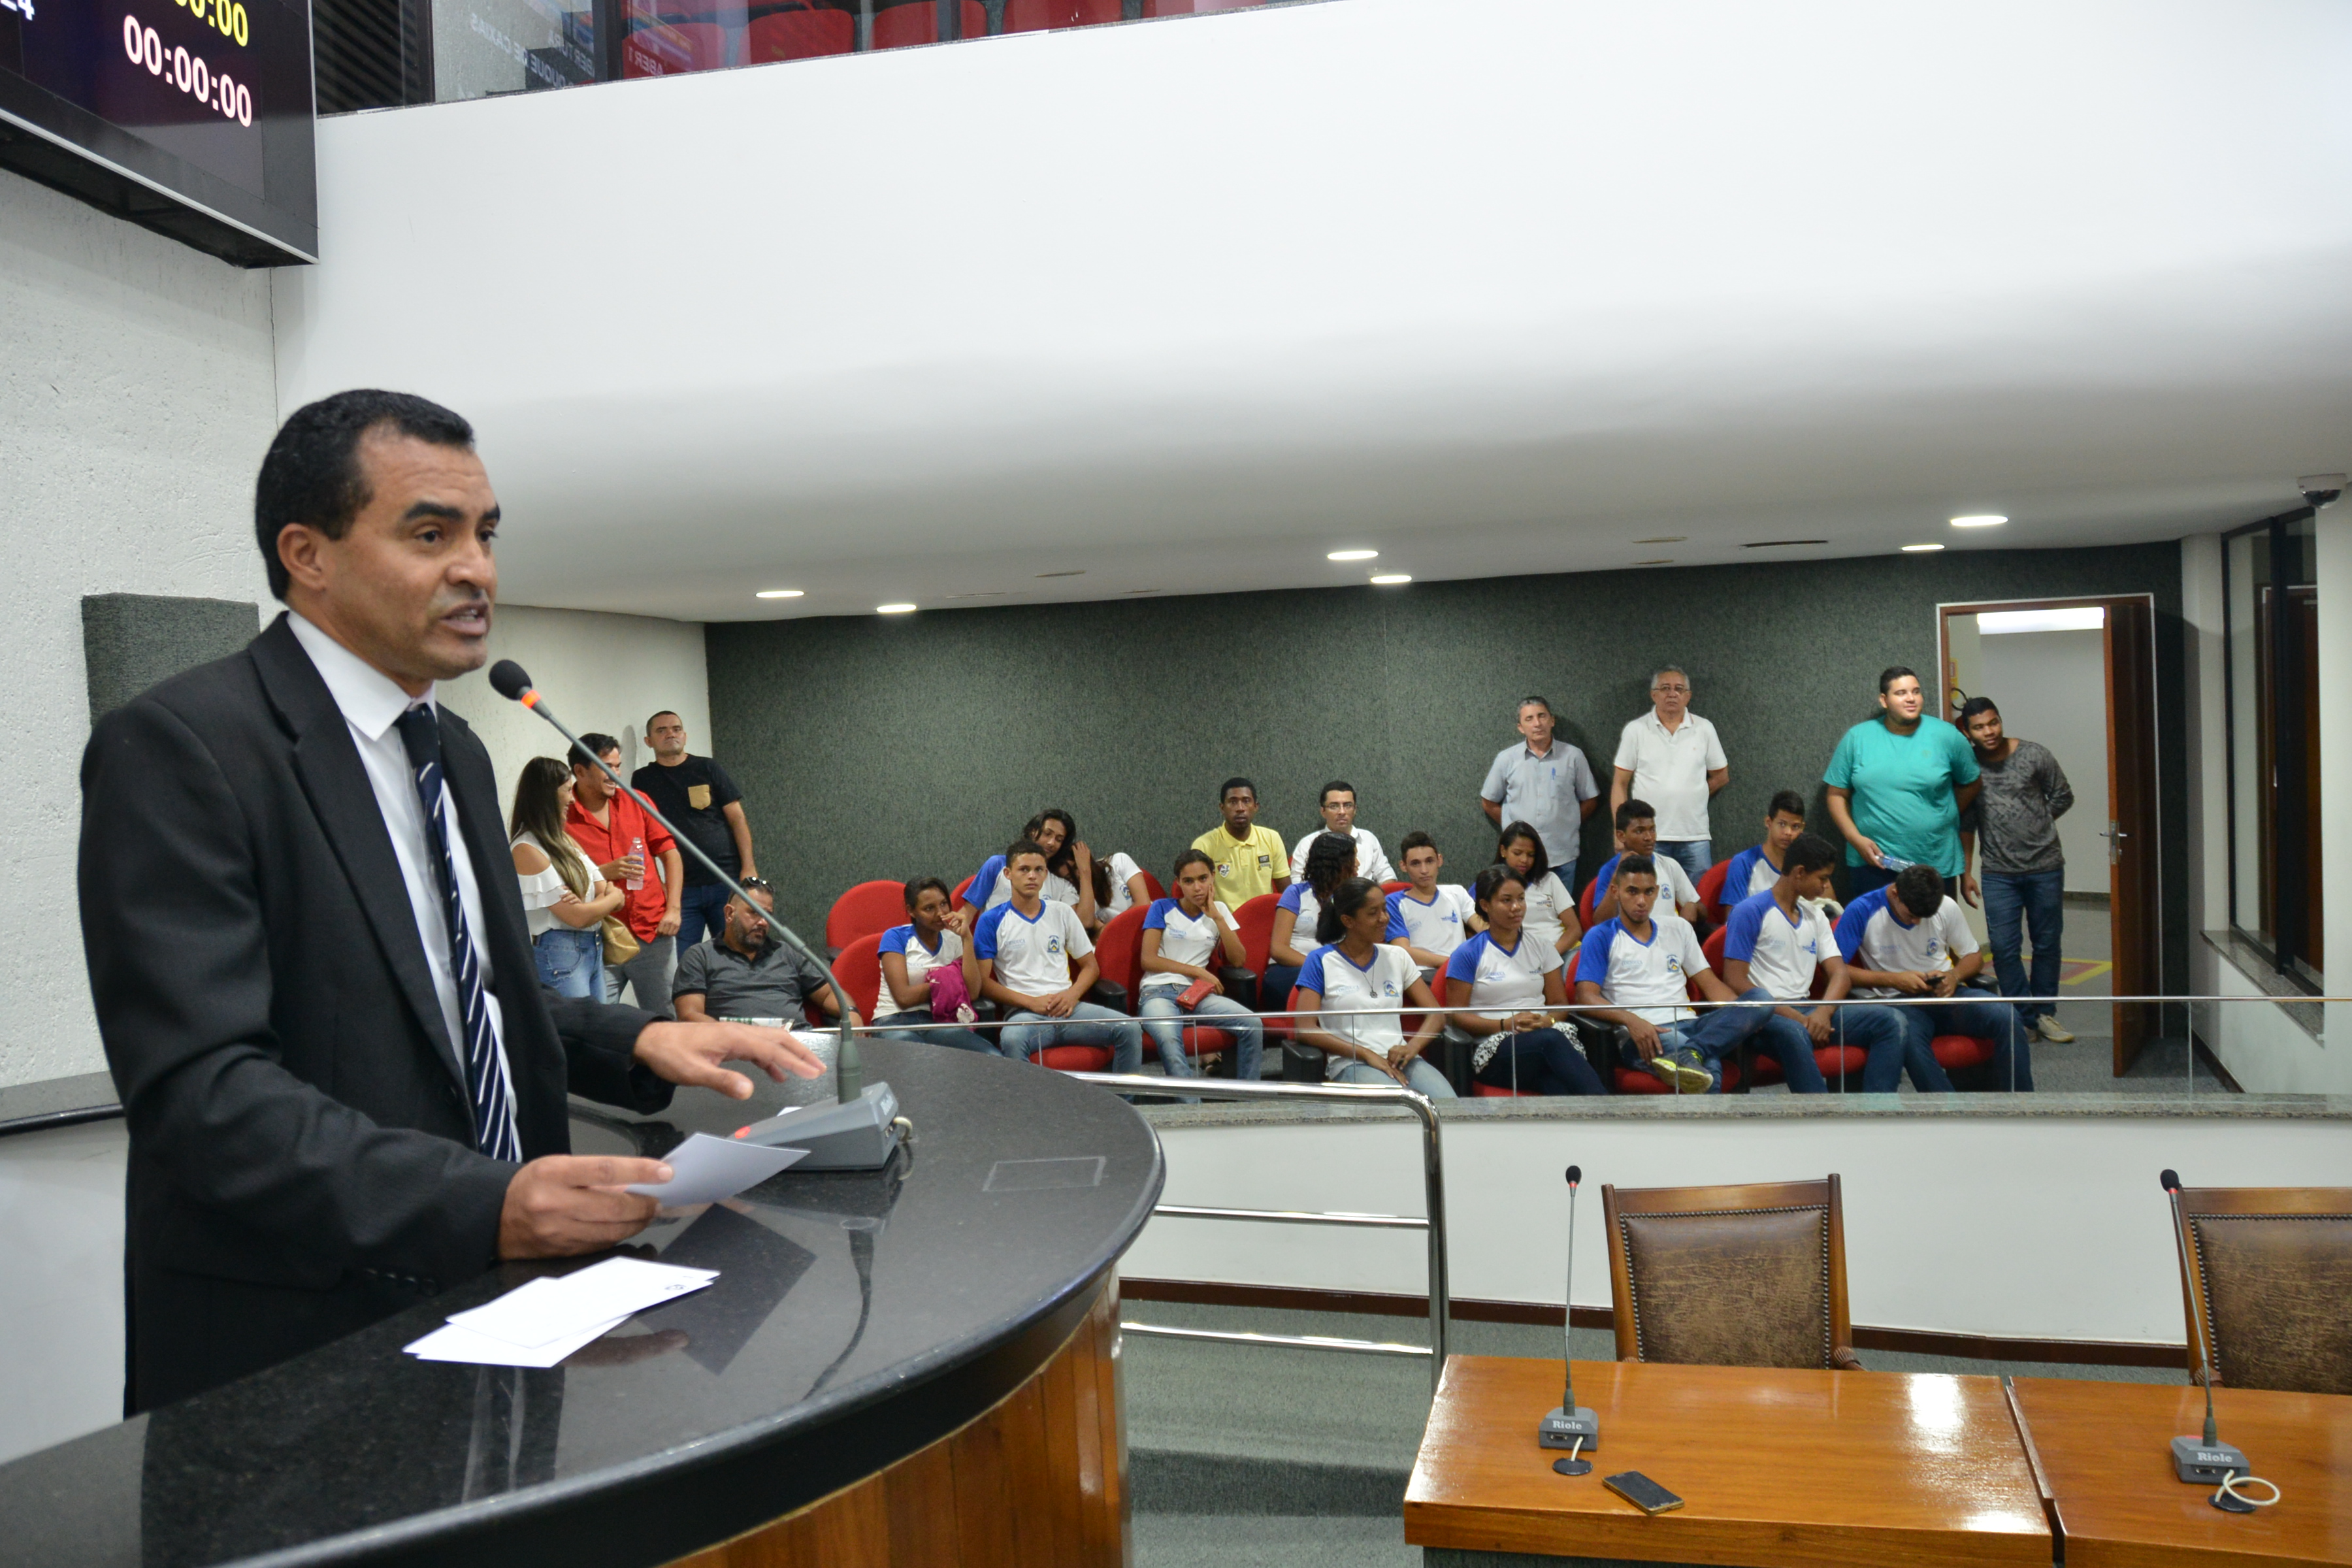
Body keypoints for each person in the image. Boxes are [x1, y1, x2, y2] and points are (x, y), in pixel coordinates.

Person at [78, 389, 819, 1410]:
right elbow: (203, 1095)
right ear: (307, 554)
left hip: (511, 1309)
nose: (476, 569)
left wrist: (639, 1038)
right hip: (305, 1347)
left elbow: (460, 994)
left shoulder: (455, 751)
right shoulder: (183, 747)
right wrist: (484, 1203)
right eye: (431, 535)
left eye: (485, 534)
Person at [1718, 834, 1914, 1093]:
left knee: (1892, 1021)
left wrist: (1823, 1012)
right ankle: (1822, 1114)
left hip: (1809, 1009)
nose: (1826, 886)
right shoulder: (1749, 911)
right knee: (1795, 1033)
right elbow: (1735, 980)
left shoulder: (1816, 916)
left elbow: (1840, 974)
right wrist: (1798, 1018)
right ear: (1799, 873)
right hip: (1766, 1016)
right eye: (1823, 878)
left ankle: (1877, 1108)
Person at [1836, 864, 2031, 1091]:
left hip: (1947, 995)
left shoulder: (1945, 905)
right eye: (1912, 915)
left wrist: (1954, 976)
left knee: (2007, 1016)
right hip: (1899, 1002)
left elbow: (1974, 956)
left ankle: (2023, 1101)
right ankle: (1947, 1107)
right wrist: (1894, 980)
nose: (1917, 923)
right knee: (1908, 1037)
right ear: (1895, 893)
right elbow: (1836, 970)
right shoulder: (1862, 910)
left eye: (1924, 917)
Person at [1574, 855, 1755, 1093]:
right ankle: (1697, 1058)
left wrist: (1742, 1013)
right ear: (1616, 892)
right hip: (1647, 1032)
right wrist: (1631, 1020)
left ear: (1657, 892)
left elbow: (1711, 985)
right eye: (1632, 892)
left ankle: (1694, 1052)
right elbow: (1585, 997)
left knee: (1759, 1001)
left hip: (1691, 1024)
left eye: (1648, 892)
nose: (1642, 901)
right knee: (1709, 1069)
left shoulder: (1678, 928)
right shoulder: (1600, 936)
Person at [1957, 697, 2078, 1045]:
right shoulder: (1969, 769)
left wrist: (2037, 823)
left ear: (2000, 720)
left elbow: (2063, 796)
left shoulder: (2034, 755)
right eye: (1979, 727)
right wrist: (1966, 873)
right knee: (2004, 947)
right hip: (1998, 872)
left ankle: (2044, 1013)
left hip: (2046, 867)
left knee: (2047, 943)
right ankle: (2024, 1017)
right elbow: (1967, 824)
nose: (1989, 732)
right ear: (1968, 733)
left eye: (1993, 723)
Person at [975, 840, 1143, 1071]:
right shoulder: (991, 920)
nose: (1032, 876)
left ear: (1046, 874)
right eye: (1024, 869)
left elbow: (1091, 967)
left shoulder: (1062, 912)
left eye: (1039, 870)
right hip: (1026, 1015)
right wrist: (1032, 1003)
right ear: (1008, 874)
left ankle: (1123, 1095)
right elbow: (983, 983)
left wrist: (1072, 995)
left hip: (1070, 1009)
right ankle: (1026, 1097)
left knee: (1130, 1029)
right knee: (1012, 1040)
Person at [1442, 866, 1604, 1095]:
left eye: (1521, 899)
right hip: (1494, 1048)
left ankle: (1600, 1114)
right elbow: (1455, 1016)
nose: (1517, 907)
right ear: (1486, 905)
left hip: (1542, 1037)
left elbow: (1559, 1004)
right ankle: (1608, 1106)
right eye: (1506, 900)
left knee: (1556, 1086)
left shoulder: (1542, 946)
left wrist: (1547, 1021)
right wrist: (1505, 1025)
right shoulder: (1468, 953)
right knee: (1551, 1042)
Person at [1823, 666, 1981, 900]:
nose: (1911, 699)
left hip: (1933, 861)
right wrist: (1855, 839)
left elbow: (1972, 782)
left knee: (1933, 925)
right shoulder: (1857, 738)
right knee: (1876, 924)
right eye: (1901, 693)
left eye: (1916, 692)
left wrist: (1944, 814)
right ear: (1884, 700)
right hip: (1873, 863)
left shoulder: (1948, 736)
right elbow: (1836, 794)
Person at [1294, 877, 1456, 1098]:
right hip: (1352, 1063)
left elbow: (1436, 1015)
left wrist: (1411, 1047)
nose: (1384, 918)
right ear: (1348, 921)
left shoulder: (1397, 956)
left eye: (1385, 910)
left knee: (1450, 1105)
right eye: (1373, 913)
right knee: (1397, 1106)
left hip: (1401, 1059)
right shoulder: (1320, 960)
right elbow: (1304, 1028)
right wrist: (1366, 1054)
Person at [566, 731, 685, 1016]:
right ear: (580, 771)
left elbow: (671, 854)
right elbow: (557, 878)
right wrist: (603, 872)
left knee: (666, 1018)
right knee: (598, 1020)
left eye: (618, 767)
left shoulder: (636, 800)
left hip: (653, 932)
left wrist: (674, 909)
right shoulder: (563, 813)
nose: (616, 775)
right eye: (607, 767)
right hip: (599, 937)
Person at [1139, 851, 1266, 1083]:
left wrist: (1217, 918)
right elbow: (1148, 960)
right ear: (1179, 883)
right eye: (1189, 881)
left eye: (1203, 879)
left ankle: (1249, 1098)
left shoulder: (1220, 911)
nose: (1197, 888)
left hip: (1197, 994)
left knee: (1252, 1024)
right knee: (1169, 1038)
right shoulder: (1162, 907)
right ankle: (1190, 1103)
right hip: (1158, 991)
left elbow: (1238, 960)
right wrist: (1197, 971)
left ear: (1213, 878)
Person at [630, 710, 753, 950]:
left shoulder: (708, 768)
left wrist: (748, 868)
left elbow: (737, 819)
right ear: (649, 741)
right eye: (661, 730)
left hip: (725, 880)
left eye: (676, 729)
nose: (670, 734)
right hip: (681, 890)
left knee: (735, 954)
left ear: (685, 736)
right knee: (684, 959)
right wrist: (658, 883)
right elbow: (641, 835)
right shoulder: (642, 779)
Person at [508, 755, 624, 1001]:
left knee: (598, 1024)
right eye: (568, 790)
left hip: (593, 947)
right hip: (560, 953)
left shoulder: (564, 840)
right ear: (546, 795)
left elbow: (605, 890)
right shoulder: (526, 849)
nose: (573, 799)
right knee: (576, 1025)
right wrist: (609, 899)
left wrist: (596, 904)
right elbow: (578, 917)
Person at [674, 880, 861, 1032]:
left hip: (795, 1043)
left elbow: (829, 993)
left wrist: (851, 1013)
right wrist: (733, 1036)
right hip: (733, 1047)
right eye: (754, 913)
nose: (763, 922)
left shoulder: (787, 953)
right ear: (730, 914)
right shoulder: (700, 956)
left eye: (768, 915)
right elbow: (689, 1016)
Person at [1610, 666, 1728, 886]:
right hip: (1647, 837)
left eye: (1679, 689)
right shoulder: (1636, 730)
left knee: (1697, 900)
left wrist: (1696, 794)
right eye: (1665, 688)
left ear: (1688, 696)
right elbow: (1620, 783)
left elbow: (1721, 776)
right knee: (1647, 897)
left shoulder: (1704, 728)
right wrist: (1620, 831)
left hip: (1694, 837)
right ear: (1653, 694)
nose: (1672, 694)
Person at [1479, 696, 1600, 883]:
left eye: (1542, 716)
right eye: (1529, 719)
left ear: (1552, 721)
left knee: (1561, 903)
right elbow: (1489, 802)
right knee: (1517, 902)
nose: (1537, 723)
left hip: (1562, 856)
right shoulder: (1506, 759)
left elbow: (1590, 799)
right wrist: (1513, 828)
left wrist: (1569, 822)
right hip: (1519, 861)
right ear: (1520, 727)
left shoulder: (1573, 756)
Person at [871, 878, 998, 1054]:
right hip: (895, 1021)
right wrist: (949, 982)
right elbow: (904, 998)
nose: (940, 913)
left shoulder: (955, 938)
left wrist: (967, 938)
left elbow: (973, 992)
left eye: (944, 904)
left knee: (992, 1056)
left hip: (940, 1022)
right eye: (929, 908)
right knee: (921, 1061)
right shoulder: (895, 937)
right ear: (912, 911)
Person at [1267, 830, 1356, 1011]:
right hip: (1290, 970)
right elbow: (1279, 949)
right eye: (1353, 859)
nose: (1358, 864)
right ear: (1337, 864)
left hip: (1337, 971)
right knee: (1327, 983)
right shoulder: (1296, 893)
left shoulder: (1352, 898)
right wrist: (1318, 966)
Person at [958, 809, 1092, 926]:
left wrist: (1085, 872)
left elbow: (1084, 923)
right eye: (1047, 834)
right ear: (1032, 831)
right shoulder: (997, 865)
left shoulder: (1060, 885)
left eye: (1059, 839)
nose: (1051, 843)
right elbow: (967, 914)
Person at [1588, 798, 1702, 925]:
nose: (1649, 837)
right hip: (1630, 936)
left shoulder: (1669, 865)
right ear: (1621, 836)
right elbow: (1601, 922)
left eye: (1652, 830)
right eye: (1640, 831)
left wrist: (1692, 905)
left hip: (1670, 936)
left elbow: (1702, 909)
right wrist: (1616, 877)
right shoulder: (1610, 870)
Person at [1385, 832, 1476, 976]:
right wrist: (1453, 962)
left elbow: (1482, 926)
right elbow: (1403, 950)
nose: (1424, 870)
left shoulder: (1457, 893)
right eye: (1416, 864)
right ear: (1403, 866)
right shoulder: (1393, 902)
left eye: (1429, 861)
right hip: (1421, 974)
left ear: (1439, 860)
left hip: (1461, 973)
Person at [1192, 777, 1290, 907]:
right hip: (1221, 918)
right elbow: (1197, 897)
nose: (1240, 808)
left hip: (1264, 917)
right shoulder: (1204, 845)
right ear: (1222, 808)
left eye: (1246, 801)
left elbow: (1287, 894)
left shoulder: (1272, 838)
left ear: (1256, 807)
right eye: (1233, 802)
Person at [1495, 823, 1577, 958]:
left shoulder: (1549, 879)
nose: (1524, 860)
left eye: (1531, 855)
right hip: (1520, 957)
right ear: (1503, 851)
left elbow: (1574, 929)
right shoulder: (1491, 884)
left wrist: (1550, 959)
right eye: (1517, 853)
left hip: (1559, 951)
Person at [1288, 780, 1396, 882]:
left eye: (1348, 805)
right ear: (1323, 811)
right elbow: (1298, 884)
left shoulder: (1368, 839)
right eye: (1334, 806)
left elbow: (1388, 877)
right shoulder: (1307, 844)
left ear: (1355, 810)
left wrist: (1374, 895)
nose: (1342, 812)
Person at [1722, 791, 1809, 909]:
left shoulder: (1809, 865)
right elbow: (1733, 917)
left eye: (1795, 826)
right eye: (1782, 824)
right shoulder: (1743, 863)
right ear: (1769, 823)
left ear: (1802, 828)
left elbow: (1831, 910)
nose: (1788, 832)